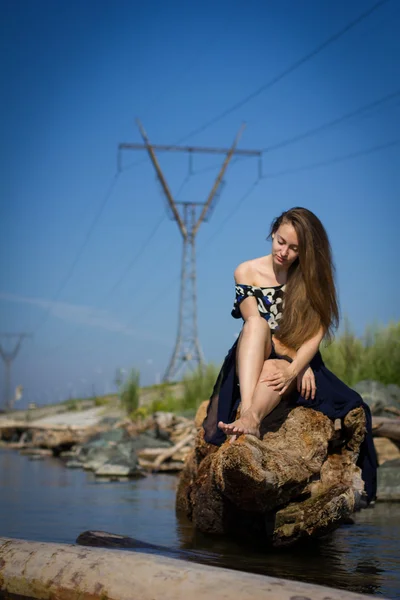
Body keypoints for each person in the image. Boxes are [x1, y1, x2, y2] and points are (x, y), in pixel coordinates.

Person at [202, 207, 377, 503]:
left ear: (305, 251)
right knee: (257, 325)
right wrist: (292, 362)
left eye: (294, 248)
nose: (284, 252)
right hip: (253, 351)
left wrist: (297, 366)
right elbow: (256, 326)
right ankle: (248, 411)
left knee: (276, 371)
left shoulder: (311, 279)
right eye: (281, 241)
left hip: (301, 356)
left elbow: (316, 333)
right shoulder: (246, 271)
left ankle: (252, 420)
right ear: (273, 232)